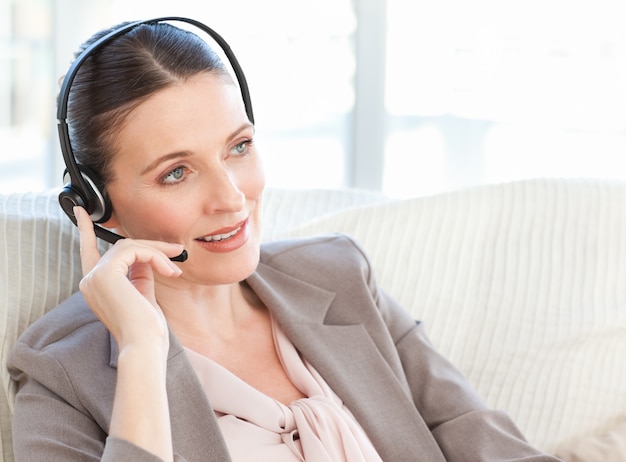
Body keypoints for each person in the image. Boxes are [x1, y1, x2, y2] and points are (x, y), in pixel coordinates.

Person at [8, 18, 562, 462]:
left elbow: (482, 438)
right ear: (94, 205)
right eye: (176, 172)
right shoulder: (60, 370)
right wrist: (141, 350)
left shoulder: (339, 274)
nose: (230, 198)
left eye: (239, 147)